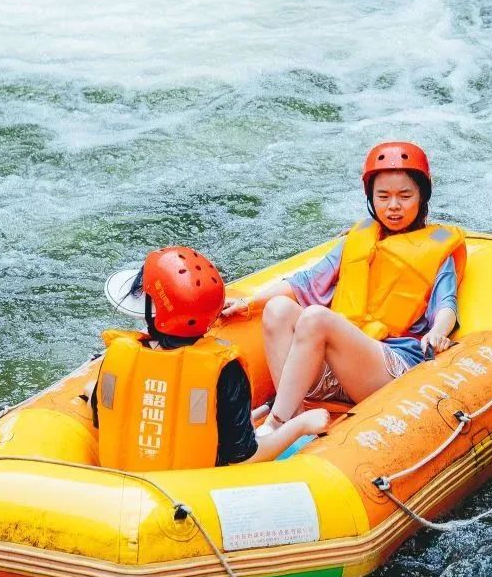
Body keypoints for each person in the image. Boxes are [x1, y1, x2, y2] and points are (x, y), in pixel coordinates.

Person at [223, 141, 465, 432]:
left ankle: (277, 424)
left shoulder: (437, 251)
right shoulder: (357, 240)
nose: (393, 206)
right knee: (277, 310)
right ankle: (296, 415)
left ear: (421, 197)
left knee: (316, 317)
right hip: (338, 367)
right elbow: (303, 282)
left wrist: (437, 334)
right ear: (371, 198)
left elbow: (446, 306)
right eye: (383, 196)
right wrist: (249, 302)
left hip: (389, 368)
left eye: (405, 195)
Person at [93, 246, 326, 472]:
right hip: (196, 492)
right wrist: (300, 425)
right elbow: (243, 460)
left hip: (124, 488)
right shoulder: (225, 369)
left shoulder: (117, 357)